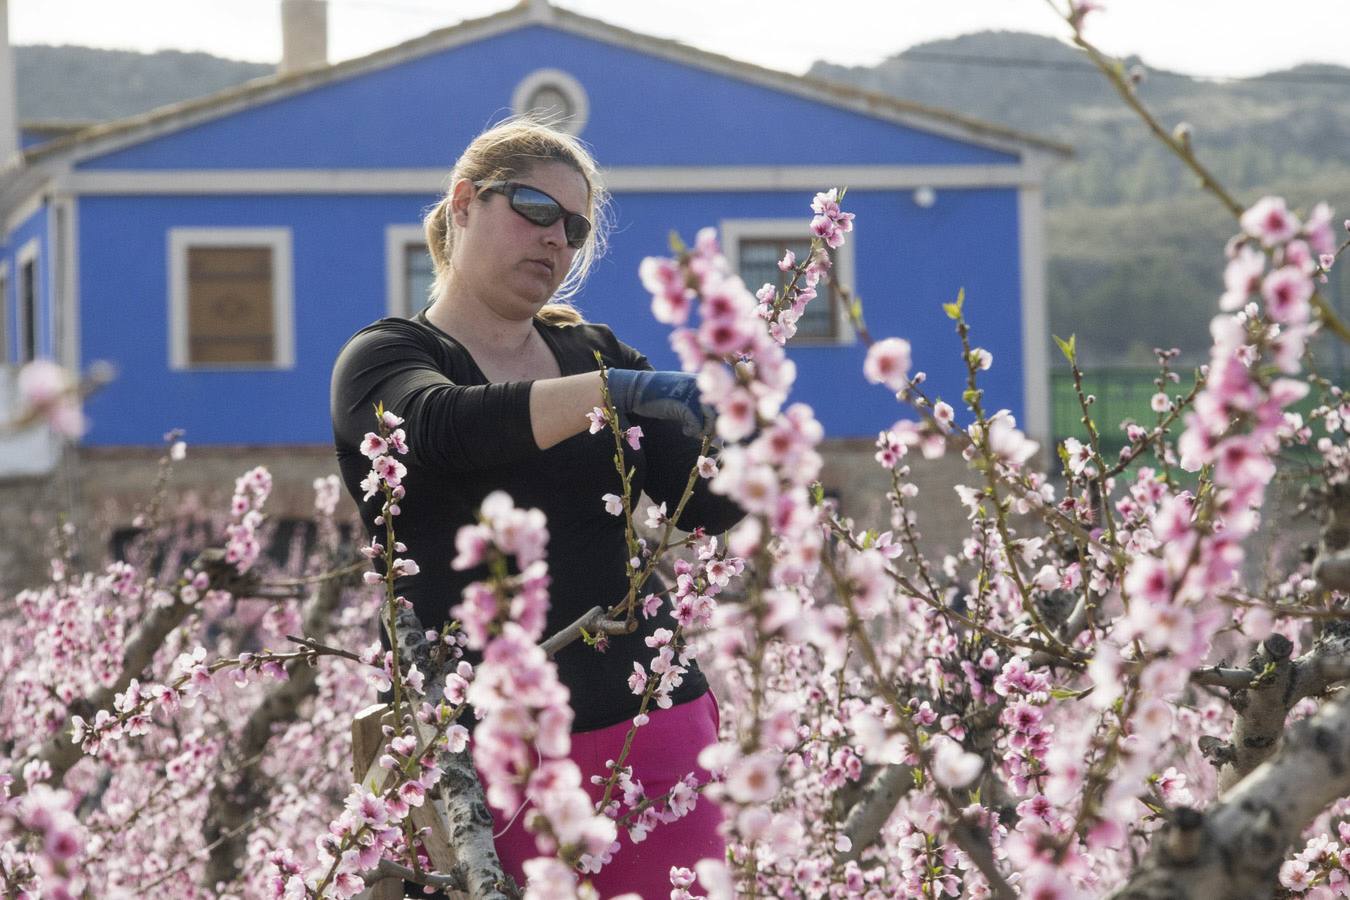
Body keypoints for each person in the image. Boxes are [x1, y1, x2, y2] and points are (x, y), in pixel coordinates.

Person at [329, 118, 744, 896]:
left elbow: (703, 511)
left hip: (653, 734)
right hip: (481, 759)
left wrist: (741, 435)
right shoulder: (385, 358)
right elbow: (440, 429)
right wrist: (615, 394)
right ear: (464, 203)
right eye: (533, 208)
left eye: (575, 228)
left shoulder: (597, 351)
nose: (556, 238)